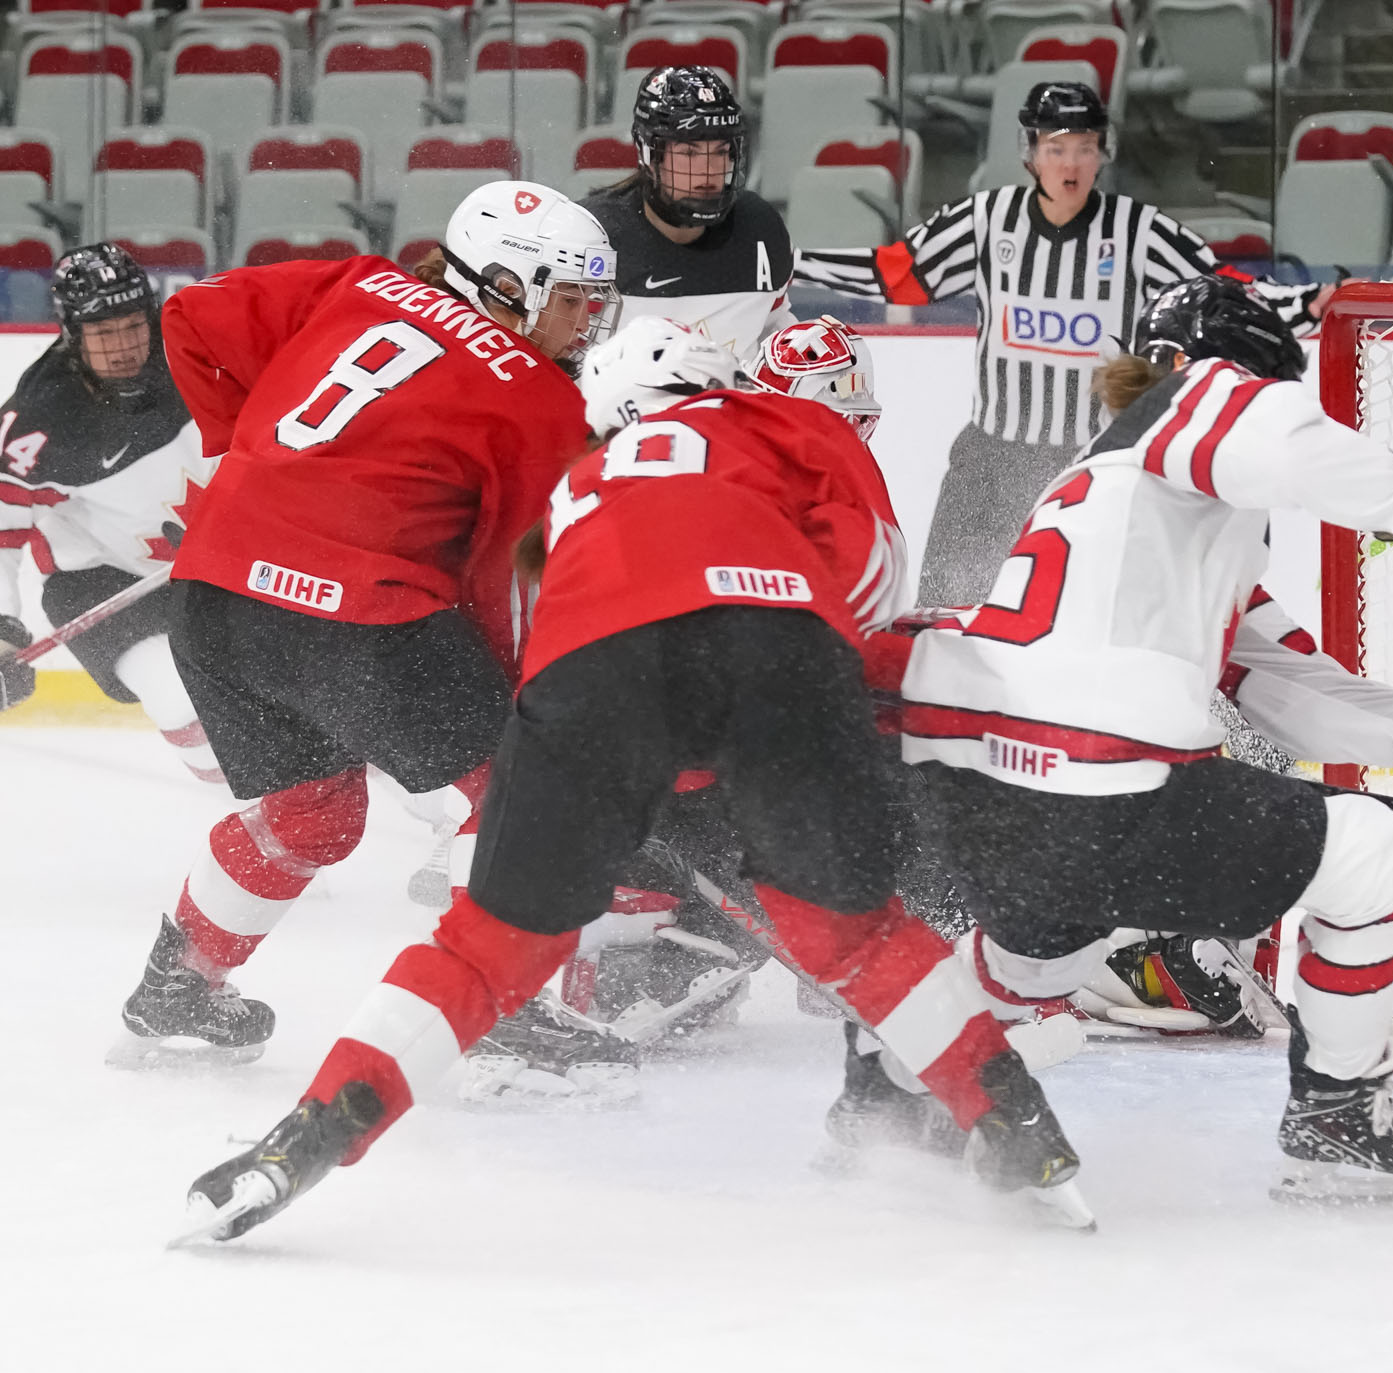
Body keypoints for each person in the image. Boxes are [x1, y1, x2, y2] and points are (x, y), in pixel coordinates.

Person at [178, 317, 1088, 1244]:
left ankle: (304, 1137)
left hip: (594, 691)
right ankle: (1017, 1125)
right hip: (771, 660)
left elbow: (535, 645)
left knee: (482, 950)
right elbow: (870, 582)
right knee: (856, 938)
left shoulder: (573, 485)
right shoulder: (783, 423)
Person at [868, 276, 1393, 1200]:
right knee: (1372, 854)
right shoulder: (1183, 404)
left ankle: (894, 1089)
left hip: (985, 790)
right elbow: (1256, 424)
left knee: (1042, 948)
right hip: (1090, 779)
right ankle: (1341, 1107)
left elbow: (1282, 678)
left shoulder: (1126, 507)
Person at [113, 182, 618, 1066]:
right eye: (572, 298)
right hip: (353, 618)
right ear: (507, 285)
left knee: (310, 813)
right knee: (518, 786)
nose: (586, 322)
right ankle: (496, 1005)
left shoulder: (356, 284)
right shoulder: (539, 401)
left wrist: (258, 469)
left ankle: (179, 983)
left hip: (213, 595)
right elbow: (499, 584)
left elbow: (191, 318)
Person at [467, 315, 892, 1095]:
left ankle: (627, 944)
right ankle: (587, 961)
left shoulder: (585, 485)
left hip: (583, 758)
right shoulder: (765, 473)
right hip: (680, 770)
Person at [795, 80, 1342, 606]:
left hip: (1093, 461)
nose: (1071, 163)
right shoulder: (986, 221)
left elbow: (1220, 290)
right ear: (1030, 153)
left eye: (1085, 148)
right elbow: (900, 274)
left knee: (1090, 609)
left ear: (1104, 153)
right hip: (990, 458)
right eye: (1056, 148)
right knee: (946, 607)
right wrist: (793, 263)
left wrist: (1304, 304)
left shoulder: (1139, 231)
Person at [0, 244, 221, 782]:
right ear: (74, 335)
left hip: (224, 563)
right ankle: (239, 797)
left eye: (131, 327)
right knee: (177, 696)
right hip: (101, 581)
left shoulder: (203, 351)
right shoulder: (38, 421)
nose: (122, 347)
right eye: (102, 334)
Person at [579, 67, 794, 361]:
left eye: (720, 152)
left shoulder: (760, 229)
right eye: (689, 153)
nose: (709, 170)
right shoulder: (591, 235)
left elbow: (775, 339)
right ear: (648, 154)